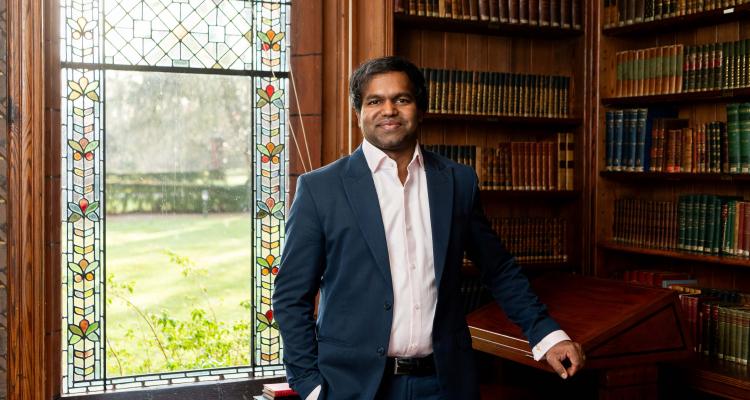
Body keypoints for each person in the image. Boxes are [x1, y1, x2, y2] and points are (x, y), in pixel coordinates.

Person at [273, 56, 584, 400]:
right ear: (357, 112)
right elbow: (291, 295)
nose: (388, 109)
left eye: (401, 99)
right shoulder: (321, 189)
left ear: (421, 109)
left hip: (444, 382)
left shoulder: (456, 181)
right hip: (353, 386)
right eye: (375, 101)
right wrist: (310, 385)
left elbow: (499, 270)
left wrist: (548, 335)